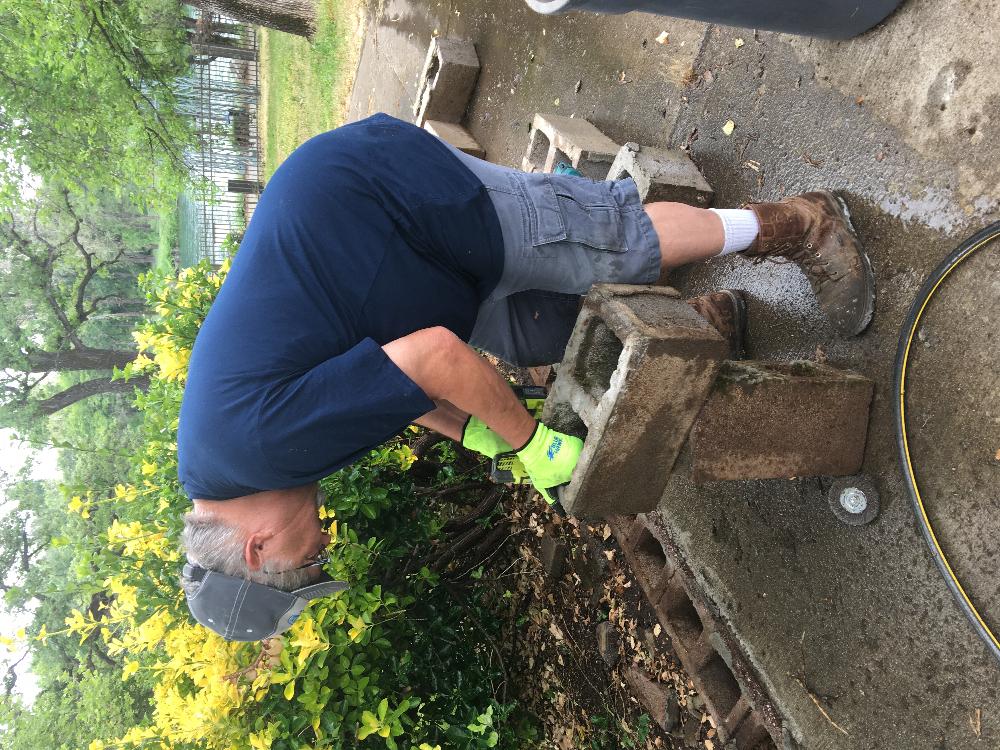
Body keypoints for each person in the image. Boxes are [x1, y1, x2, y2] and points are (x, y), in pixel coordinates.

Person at [177, 113, 874, 641]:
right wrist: (473, 430)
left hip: (390, 206)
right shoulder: (240, 461)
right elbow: (378, 386)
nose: (322, 544)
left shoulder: (257, 451)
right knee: (550, 329)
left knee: (613, 244)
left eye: (305, 564)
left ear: (257, 548)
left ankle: (801, 224)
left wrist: (527, 443)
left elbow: (431, 360)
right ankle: (703, 320)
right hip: (392, 264)